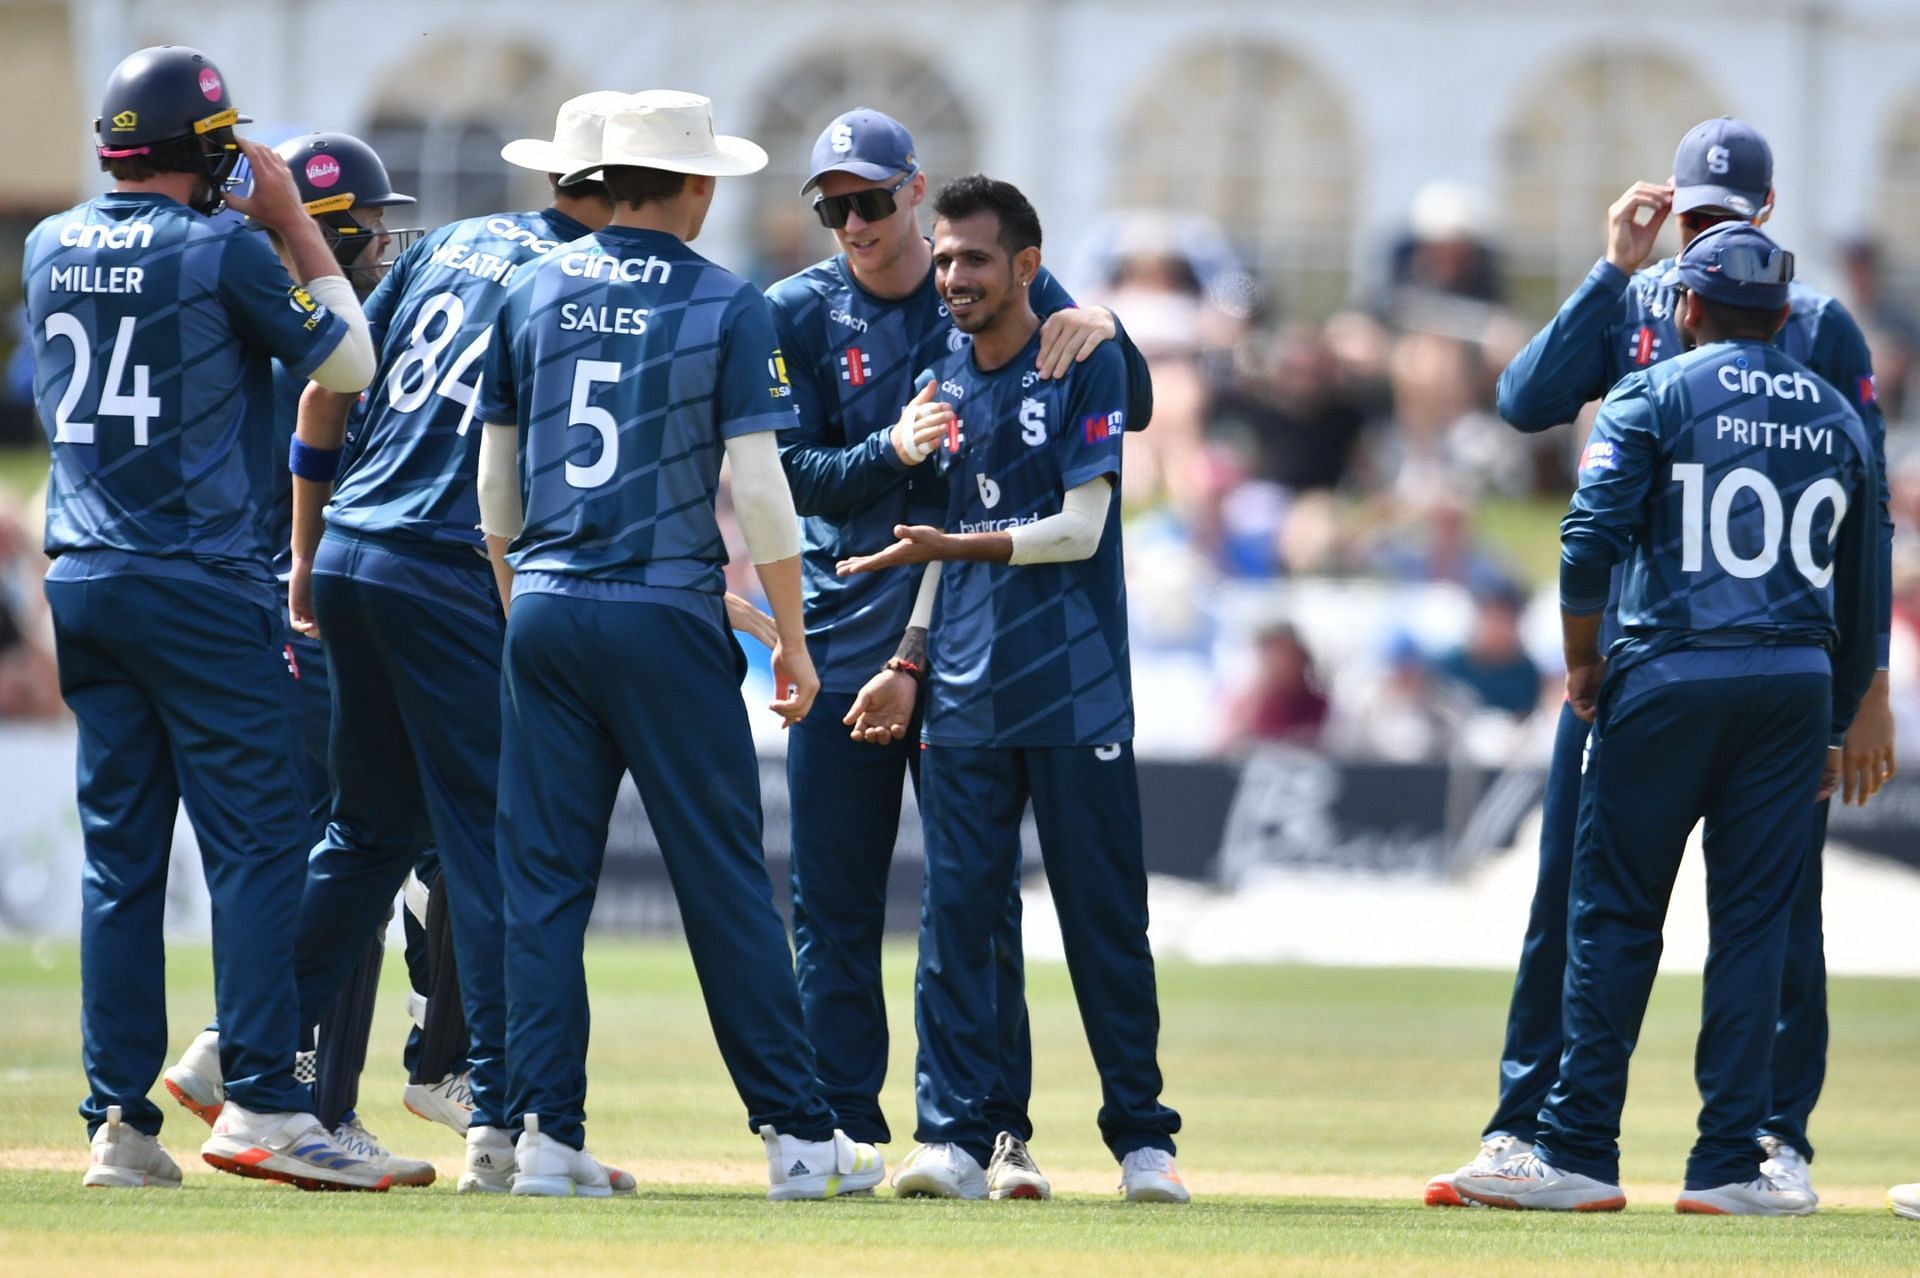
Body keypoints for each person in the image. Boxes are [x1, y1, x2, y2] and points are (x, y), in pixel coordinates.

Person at [1429, 117, 1897, 1210]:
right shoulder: (1639, 298)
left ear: (1763, 219)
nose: (1700, 237)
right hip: (1647, 661)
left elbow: (1862, 526)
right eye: (1692, 217)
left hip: (1700, 660)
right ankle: (1530, 1125)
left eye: (1721, 223)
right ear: (1669, 207)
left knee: (1771, 913)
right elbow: (1524, 401)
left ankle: (1768, 1137)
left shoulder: (1819, 328)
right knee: (1572, 900)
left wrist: (1865, 693)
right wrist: (1609, 268)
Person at [473, 90, 884, 1201]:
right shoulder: (725, 299)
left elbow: (495, 485)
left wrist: (522, 600)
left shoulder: (531, 284)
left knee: (544, 889)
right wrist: (792, 638)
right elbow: (760, 491)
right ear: (697, 188)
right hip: (663, 611)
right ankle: (800, 1139)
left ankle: (543, 1137)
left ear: (602, 182)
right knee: (722, 884)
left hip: (549, 604)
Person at [764, 106, 1150, 1182]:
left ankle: (989, 1128)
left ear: (913, 194)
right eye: (833, 207)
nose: (854, 224)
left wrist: (1107, 323)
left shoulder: (980, 276)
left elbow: (1134, 404)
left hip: (980, 636)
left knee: (975, 911)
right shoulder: (793, 311)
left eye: (872, 203)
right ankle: (846, 1130)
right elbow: (790, 473)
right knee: (833, 901)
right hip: (850, 636)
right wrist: (889, 447)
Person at [24, 45, 386, 1190]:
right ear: (214, 151)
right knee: (260, 843)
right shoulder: (225, 248)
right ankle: (269, 1107)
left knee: (120, 864)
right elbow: (350, 358)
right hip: (199, 583)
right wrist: (290, 218)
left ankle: (119, 1128)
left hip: (82, 578)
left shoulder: (45, 244)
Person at [837, 175, 1186, 1203]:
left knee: (1104, 924)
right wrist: (909, 657)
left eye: (973, 259)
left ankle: (1143, 1144)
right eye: (943, 258)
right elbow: (936, 544)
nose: (951, 277)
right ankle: (957, 1136)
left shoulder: (1082, 355)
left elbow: (1080, 530)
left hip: (1077, 695)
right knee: (957, 922)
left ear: (1026, 267)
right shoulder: (940, 369)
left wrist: (953, 542)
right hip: (967, 695)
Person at [159, 130, 437, 1187]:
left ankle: (239, 1055)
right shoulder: (315, 333)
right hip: (312, 618)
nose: (382, 244)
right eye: (370, 223)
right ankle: (287, 1088)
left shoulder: (228, 307)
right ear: (333, 228)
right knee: (358, 853)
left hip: (275, 611)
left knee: (351, 854)